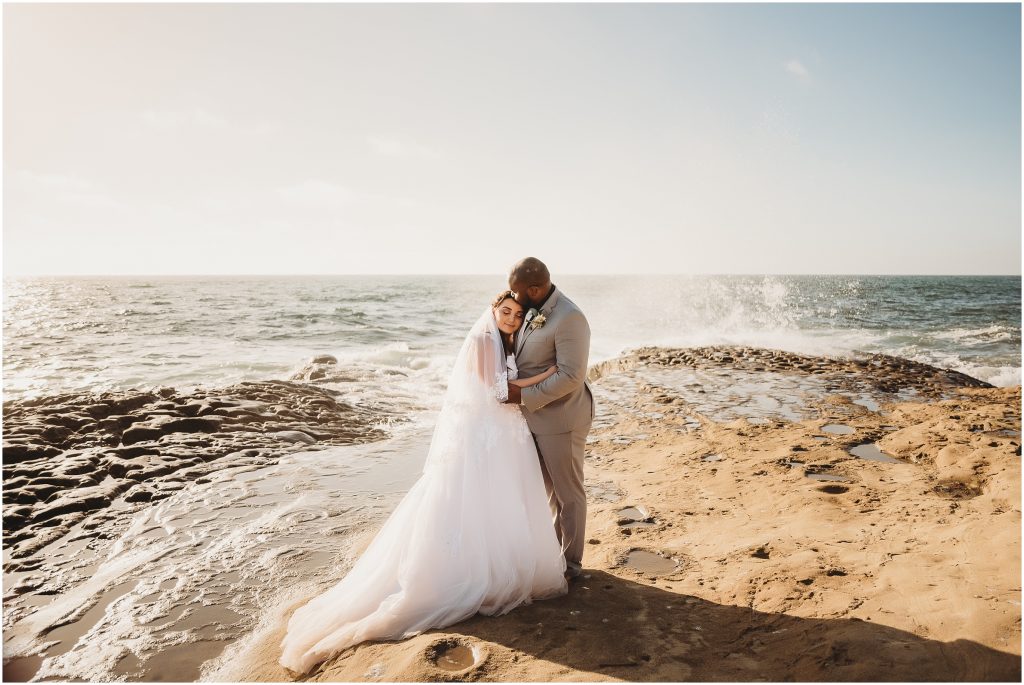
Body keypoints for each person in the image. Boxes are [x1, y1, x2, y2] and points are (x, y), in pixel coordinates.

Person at [278, 291, 567, 675]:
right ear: (493, 310)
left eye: (517, 314)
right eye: (506, 311)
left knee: (499, 499)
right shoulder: (484, 340)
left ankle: (504, 566)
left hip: (500, 434)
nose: (512, 319)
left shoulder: (502, 340)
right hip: (488, 433)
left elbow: (505, 385)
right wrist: (548, 377)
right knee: (475, 498)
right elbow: (497, 392)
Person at [504, 257, 594, 581]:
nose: (511, 296)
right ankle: (553, 559)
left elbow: (572, 375)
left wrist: (523, 396)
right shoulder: (532, 309)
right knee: (549, 492)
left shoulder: (570, 318)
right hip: (535, 419)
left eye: (517, 291)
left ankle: (571, 566)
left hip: (562, 419)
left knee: (569, 495)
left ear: (535, 288)